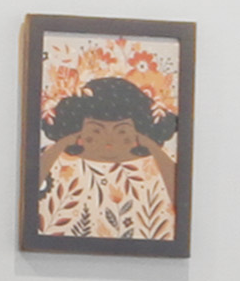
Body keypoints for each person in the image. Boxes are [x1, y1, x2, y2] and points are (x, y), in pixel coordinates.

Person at [39, 74, 181, 247]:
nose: (109, 140)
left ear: (139, 134)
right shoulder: (57, 158)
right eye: (96, 131)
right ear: (78, 133)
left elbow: (181, 200)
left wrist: (153, 149)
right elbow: (30, 192)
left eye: (121, 131)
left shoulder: (157, 162)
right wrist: (61, 146)